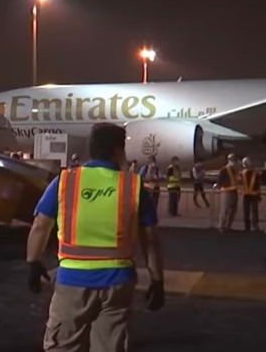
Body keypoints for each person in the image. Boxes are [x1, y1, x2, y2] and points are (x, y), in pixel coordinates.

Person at [26, 123, 165, 352]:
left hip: (73, 280)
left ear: (91, 149)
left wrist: (33, 261)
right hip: (118, 282)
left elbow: (40, 225)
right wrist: (157, 281)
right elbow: (151, 241)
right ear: (119, 151)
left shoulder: (64, 181)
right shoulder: (133, 186)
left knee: (63, 345)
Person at [215, 153, 240, 232]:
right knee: (225, 209)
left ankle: (228, 225)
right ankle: (222, 226)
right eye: (232, 160)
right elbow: (220, 180)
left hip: (234, 190)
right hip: (226, 191)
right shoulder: (224, 169)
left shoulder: (235, 169)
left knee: (233, 209)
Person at [240, 157, 261, 232]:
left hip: (247, 195)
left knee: (247, 211)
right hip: (253, 194)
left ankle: (247, 227)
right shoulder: (255, 173)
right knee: (253, 211)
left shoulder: (242, 173)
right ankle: (254, 226)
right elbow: (258, 185)